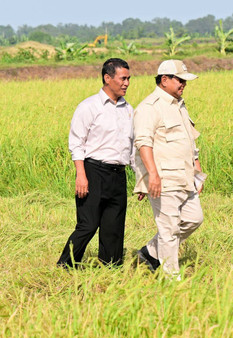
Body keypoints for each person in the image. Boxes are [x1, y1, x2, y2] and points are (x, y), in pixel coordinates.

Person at [57, 58, 133, 268]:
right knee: (88, 225)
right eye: (123, 78)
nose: (126, 83)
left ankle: (111, 267)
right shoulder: (89, 106)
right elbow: (76, 143)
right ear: (107, 78)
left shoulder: (128, 109)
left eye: (128, 78)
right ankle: (66, 264)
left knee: (114, 226)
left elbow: (131, 146)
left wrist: (141, 177)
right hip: (93, 171)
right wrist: (81, 175)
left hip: (118, 174)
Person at [133, 59, 206, 278]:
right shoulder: (149, 108)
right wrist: (152, 175)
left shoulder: (179, 105)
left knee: (194, 219)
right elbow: (143, 143)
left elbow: (189, 141)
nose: (183, 84)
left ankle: (150, 252)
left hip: (185, 176)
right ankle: (171, 278)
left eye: (185, 80)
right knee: (169, 229)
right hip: (163, 178)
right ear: (164, 80)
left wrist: (197, 170)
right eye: (180, 79)